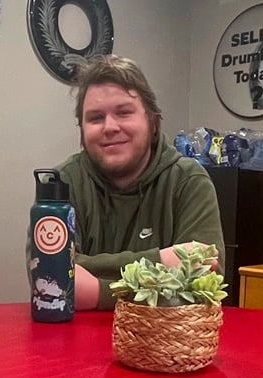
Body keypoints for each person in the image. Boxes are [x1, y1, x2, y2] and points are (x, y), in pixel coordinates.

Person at [57, 55, 225, 310]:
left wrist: (96, 292)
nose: (110, 127)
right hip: (71, 342)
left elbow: (203, 290)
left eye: (124, 112)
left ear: (153, 123)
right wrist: (162, 261)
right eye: (95, 118)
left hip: (165, 344)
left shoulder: (189, 182)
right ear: (82, 130)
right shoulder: (61, 184)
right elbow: (50, 277)